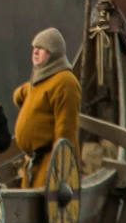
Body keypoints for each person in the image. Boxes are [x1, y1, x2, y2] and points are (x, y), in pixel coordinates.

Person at [13, 27, 81, 188]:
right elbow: (20, 96)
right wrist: (22, 94)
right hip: (33, 161)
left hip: (50, 161)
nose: (35, 51)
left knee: (44, 206)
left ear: (54, 53)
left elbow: (66, 129)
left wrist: (61, 167)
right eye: (34, 48)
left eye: (42, 48)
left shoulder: (65, 81)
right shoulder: (41, 79)